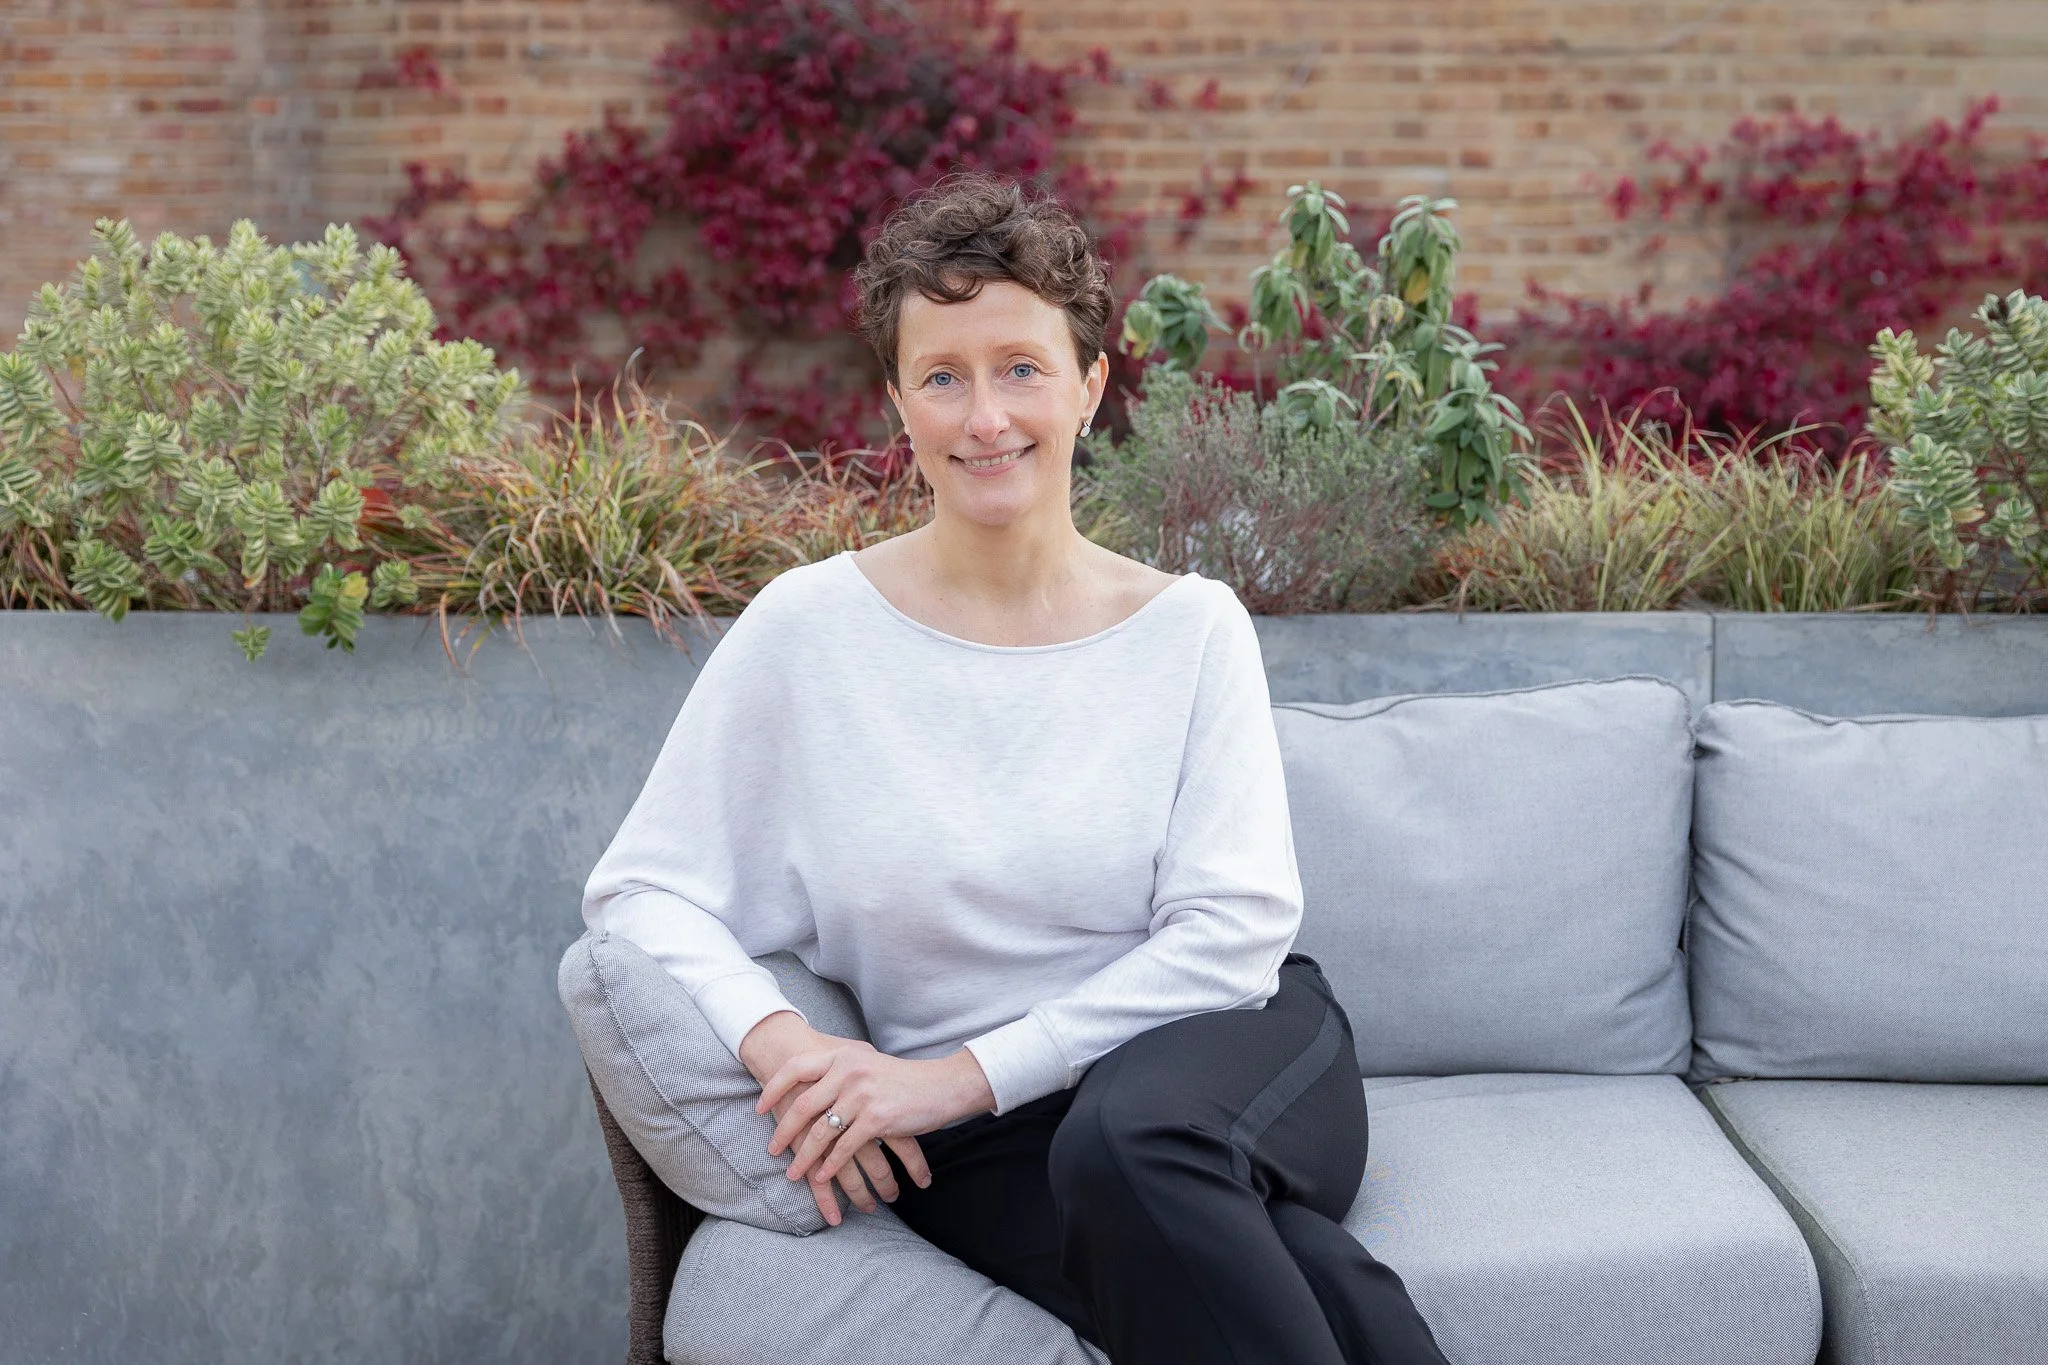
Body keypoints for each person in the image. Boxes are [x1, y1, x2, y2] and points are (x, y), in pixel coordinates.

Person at [580, 169, 1449, 1365]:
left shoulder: (1190, 626)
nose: (985, 416)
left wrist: (945, 1082)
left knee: (1125, 1143)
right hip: (985, 1147)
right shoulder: (806, 630)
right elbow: (637, 894)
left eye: (1021, 368)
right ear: (899, 405)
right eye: (943, 377)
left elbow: (1231, 936)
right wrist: (786, 1044)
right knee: (1303, 1279)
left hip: (1230, 1045)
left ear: (1089, 388)